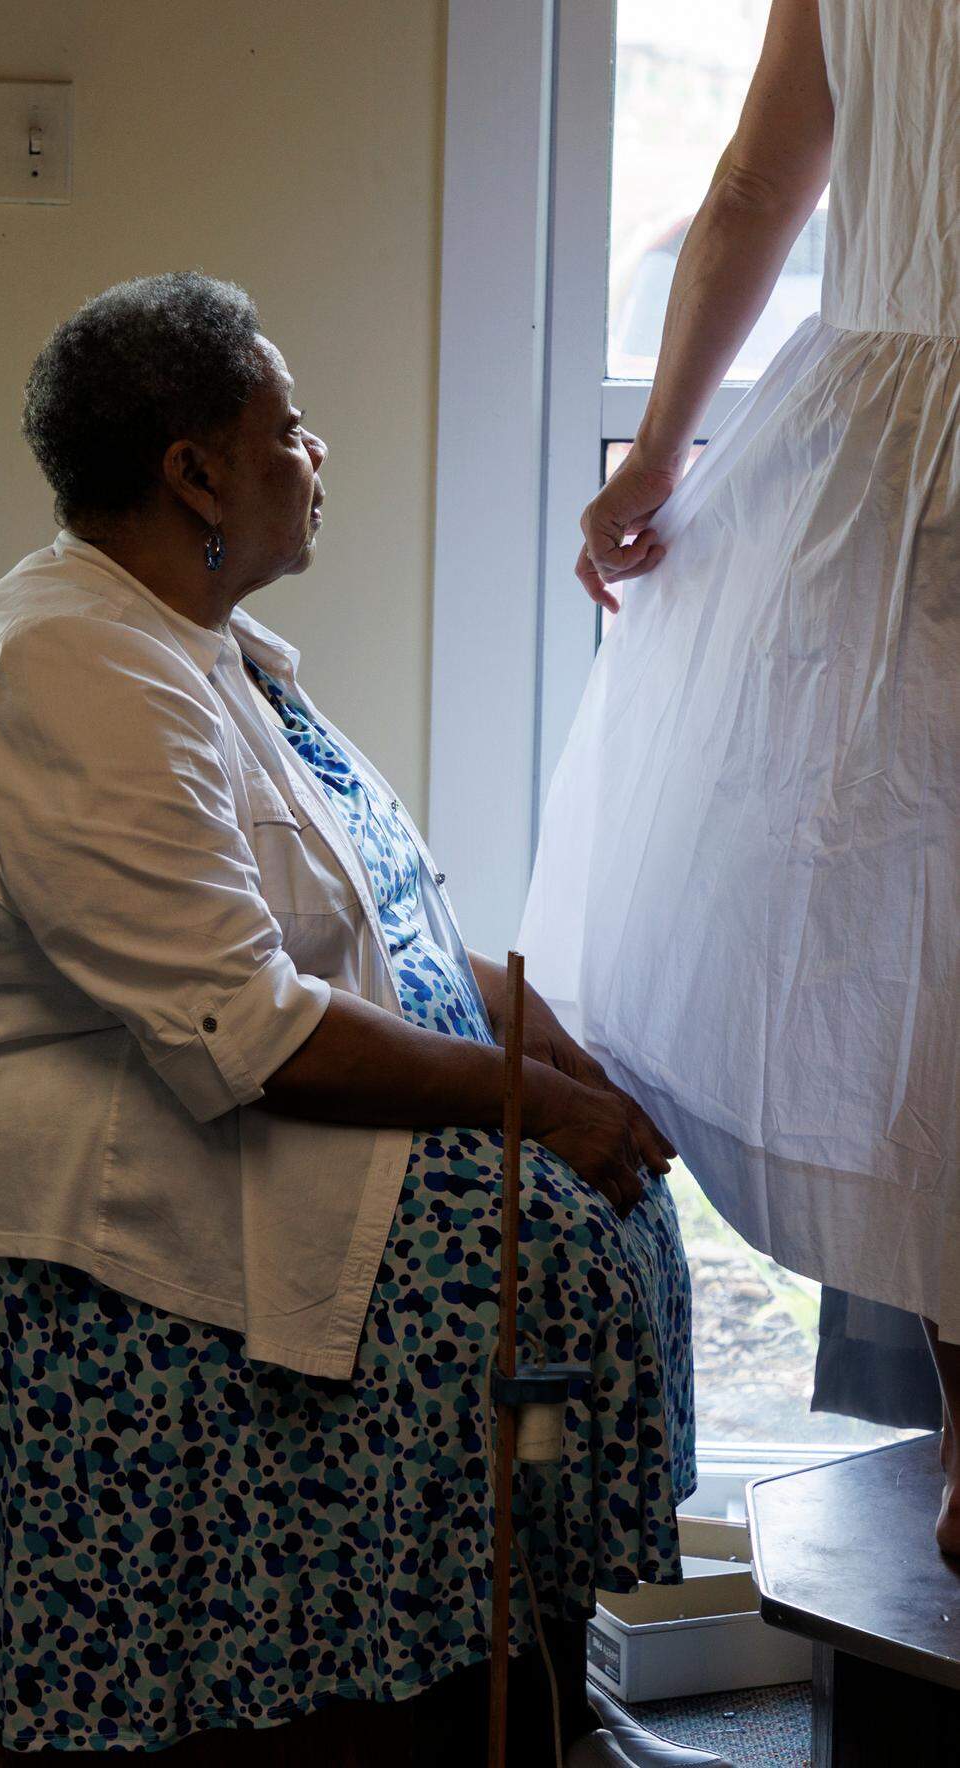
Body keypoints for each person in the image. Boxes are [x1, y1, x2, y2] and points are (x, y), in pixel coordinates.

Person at [0, 273, 710, 1766]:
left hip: (168, 1114)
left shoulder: (187, 645)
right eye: (288, 429)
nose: (318, 456)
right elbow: (259, 1032)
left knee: (560, 1241)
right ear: (194, 474)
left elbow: (379, 921)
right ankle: (450, 1707)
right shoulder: (68, 669)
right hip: (42, 1223)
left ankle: (521, 1698)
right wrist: (533, 1106)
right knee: (501, 1264)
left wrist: (541, 1039)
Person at [520, 0, 959, 1549]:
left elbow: (753, 193)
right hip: (899, 467)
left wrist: (658, 452)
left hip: (892, 458)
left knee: (911, 968)